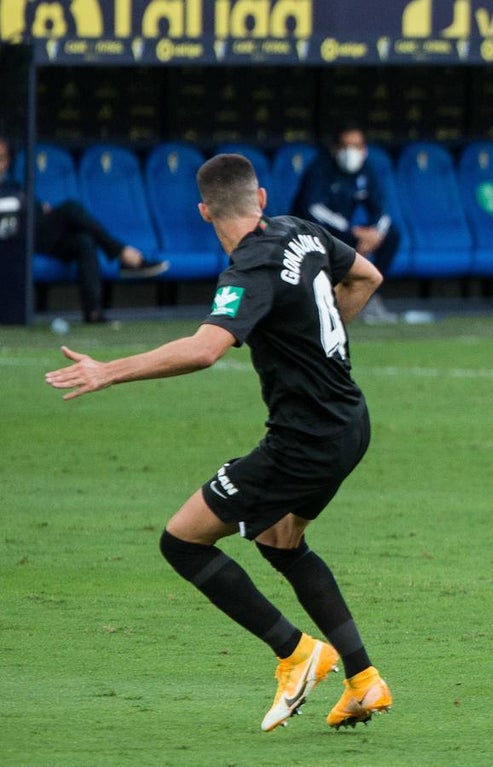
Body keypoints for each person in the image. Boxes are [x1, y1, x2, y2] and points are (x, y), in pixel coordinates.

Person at [45, 154, 393, 731]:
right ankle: (363, 680)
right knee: (281, 541)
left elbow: (206, 349)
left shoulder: (250, 269)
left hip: (304, 440)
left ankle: (298, 654)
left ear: (204, 212)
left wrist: (109, 370)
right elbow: (367, 276)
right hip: (350, 421)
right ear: (262, 198)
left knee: (182, 541)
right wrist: (315, 345)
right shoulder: (300, 230)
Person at [0, 136, 169, 324]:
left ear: (7, 162)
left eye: (2, 159)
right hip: (12, 243)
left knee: (84, 241)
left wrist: (37, 208)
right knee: (71, 209)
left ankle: (93, 312)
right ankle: (122, 253)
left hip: (33, 236)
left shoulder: (13, 186)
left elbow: (37, 207)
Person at [291, 123, 400, 324]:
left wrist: (374, 233)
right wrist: (353, 231)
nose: (351, 152)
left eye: (357, 146)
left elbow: (381, 210)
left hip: (346, 233)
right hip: (314, 233)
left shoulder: (366, 169)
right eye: (346, 146)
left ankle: (369, 297)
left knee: (391, 235)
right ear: (335, 148)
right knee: (330, 240)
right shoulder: (320, 167)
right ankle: (326, 302)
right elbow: (314, 209)